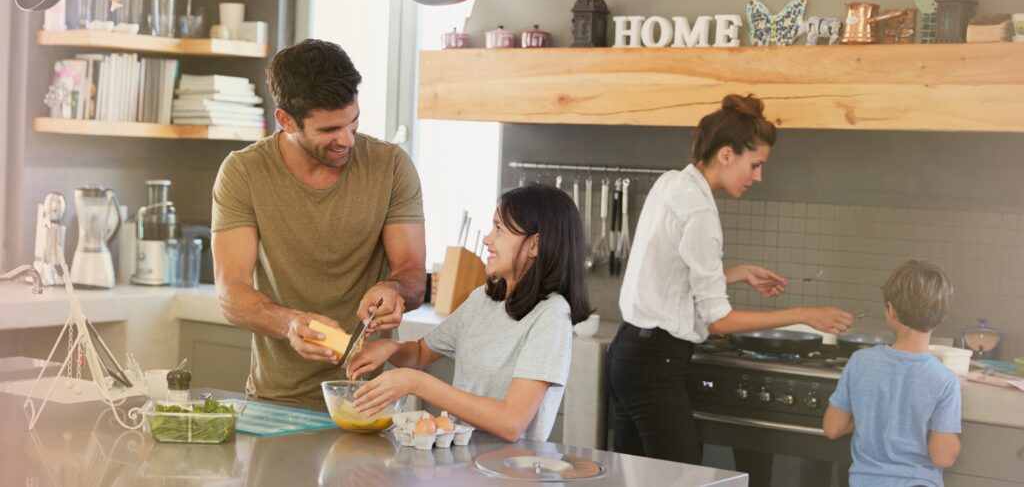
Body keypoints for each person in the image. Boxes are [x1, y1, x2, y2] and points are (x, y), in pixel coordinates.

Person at [608, 94, 854, 464]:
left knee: (635, 476)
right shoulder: (702, 213)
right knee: (682, 479)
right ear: (726, 155)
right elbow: (720, 322)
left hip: (627, 351)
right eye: (754, 164)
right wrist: (803, 314)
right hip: (655, 366)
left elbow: (667, 277)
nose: (759, 176)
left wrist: (736, 274)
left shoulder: (671, 183)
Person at [211, 39, 426, 404]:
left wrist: (395, 291)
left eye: (353, 122)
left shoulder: (390, 166)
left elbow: (413, 276)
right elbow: (232, 294)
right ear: (286, 120)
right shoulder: (244, 172)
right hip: (276, 400)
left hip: (369, 402)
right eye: (329, 130)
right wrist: (289, 323)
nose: (347, 140)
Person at [345, 184, 593, 441]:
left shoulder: (551, 315)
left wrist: (415, 382)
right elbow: (420, 352)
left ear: (534, 245)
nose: (488, 238)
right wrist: (389, 348)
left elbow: (511, 422)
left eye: (499, 229)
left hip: (509, 473)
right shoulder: (483, 300)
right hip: (462, 463)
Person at [824, 260, 960, 487]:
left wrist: (867, 416)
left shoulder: (860, 362)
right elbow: (942, 457)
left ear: (890, 310)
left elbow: (832, 428)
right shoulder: (944, 381)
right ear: (941, 317)